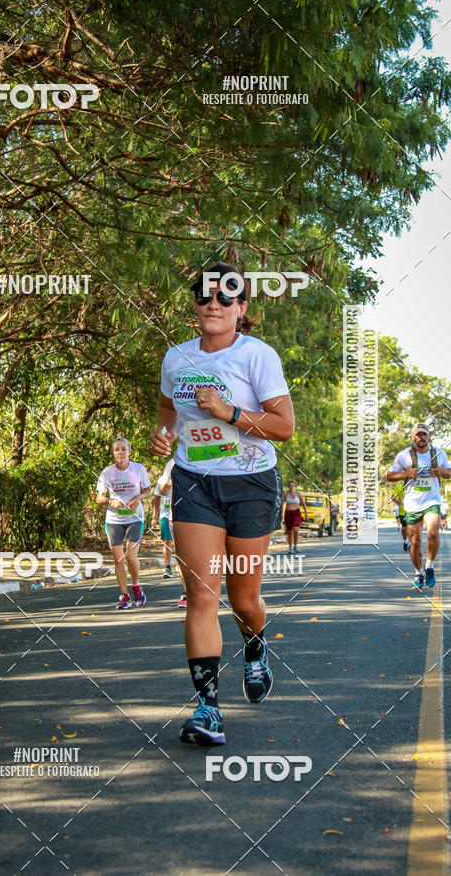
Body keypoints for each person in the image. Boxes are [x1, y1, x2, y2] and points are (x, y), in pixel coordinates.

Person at [149, 261, 294, 745]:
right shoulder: (176, 358)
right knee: (202, 596)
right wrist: (163, 434)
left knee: (243, 599)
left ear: (241, 308)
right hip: (196, 483)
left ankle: (254, 646)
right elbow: (169, 409)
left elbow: (284, 427)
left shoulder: (258, 357)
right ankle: (207, 707)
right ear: (195, 304)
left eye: (226, 296)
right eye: (205, 295)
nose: (213, 303)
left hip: (252, 484)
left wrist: (228, 412)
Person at [386, 423, 451, 589]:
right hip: (412, 504)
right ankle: (418, 572)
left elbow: (450, 472)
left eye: (424, 434)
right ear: (413, 437)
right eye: (418, 435)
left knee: (433, 532)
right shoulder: (404, 456)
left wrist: (443, 473)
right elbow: (389, 475)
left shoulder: (439, 454)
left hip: (432, 500)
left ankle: (429, 566)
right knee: (414, 541)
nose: (421, 437)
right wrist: (405, 474)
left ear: (428, 436)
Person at [95, 438, 151, 609]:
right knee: (118, 559)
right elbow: (99, 498)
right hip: (114, 520)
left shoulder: (138, 469)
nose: (120, 452)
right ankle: (124, 595)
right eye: (117, 449)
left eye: (123, 449)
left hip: (135, 518)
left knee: (131, 556)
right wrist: (110, 501)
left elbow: (147, 491)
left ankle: (136, 586)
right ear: (113, 453)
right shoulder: (107, 472)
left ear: (129, 452)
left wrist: (138, 497)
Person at [151, 456, 187, 607]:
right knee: (168, 542)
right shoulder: (167, 472)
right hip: (168, 515)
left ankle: (194, 589)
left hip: (188, 515)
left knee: (185, 552)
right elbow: (159, 495)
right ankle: (168, 568)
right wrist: (154, 516)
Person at [282, 481, 308, 554]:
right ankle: (290, 547)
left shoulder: (298, 494)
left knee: (296, 529)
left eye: (293, 485)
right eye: (290, 485)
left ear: (295, 486)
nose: (291, 487)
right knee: (289, 531)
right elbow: (282, 503)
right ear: (288, 487)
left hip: (296, 513)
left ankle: (295, 545)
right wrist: (280, 513)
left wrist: (306, 514)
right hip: (288, 513)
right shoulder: (286, 494)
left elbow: (303, 503)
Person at [391, 482, 409, 551]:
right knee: (404, 529)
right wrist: (399, 502)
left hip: (413, 511)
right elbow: (393, 497)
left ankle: (411, 542)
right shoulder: (399, 487)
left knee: (412, 528)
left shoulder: (415, 486)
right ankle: (405, 541)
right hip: (403, 512)